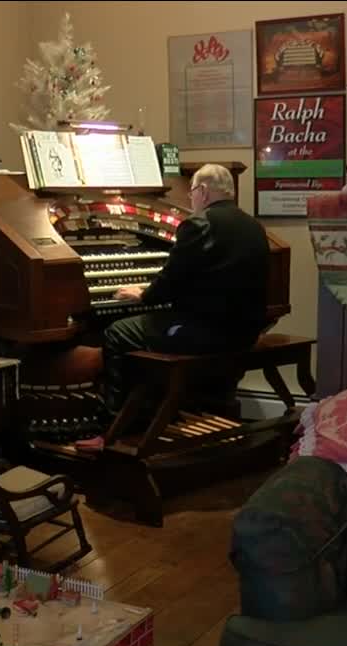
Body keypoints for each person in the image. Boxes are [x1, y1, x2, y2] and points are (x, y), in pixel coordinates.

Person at [76, 163, 270, 451]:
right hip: (243, 332)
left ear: (203, 191)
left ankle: (114, 430)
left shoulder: (199, 224)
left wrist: (143, 294)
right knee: (150, 325)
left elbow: (170, 280)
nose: (191, 199)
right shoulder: (253, 226)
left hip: (202, 333)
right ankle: (159, 411)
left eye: (191, 191)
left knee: (117, 333)